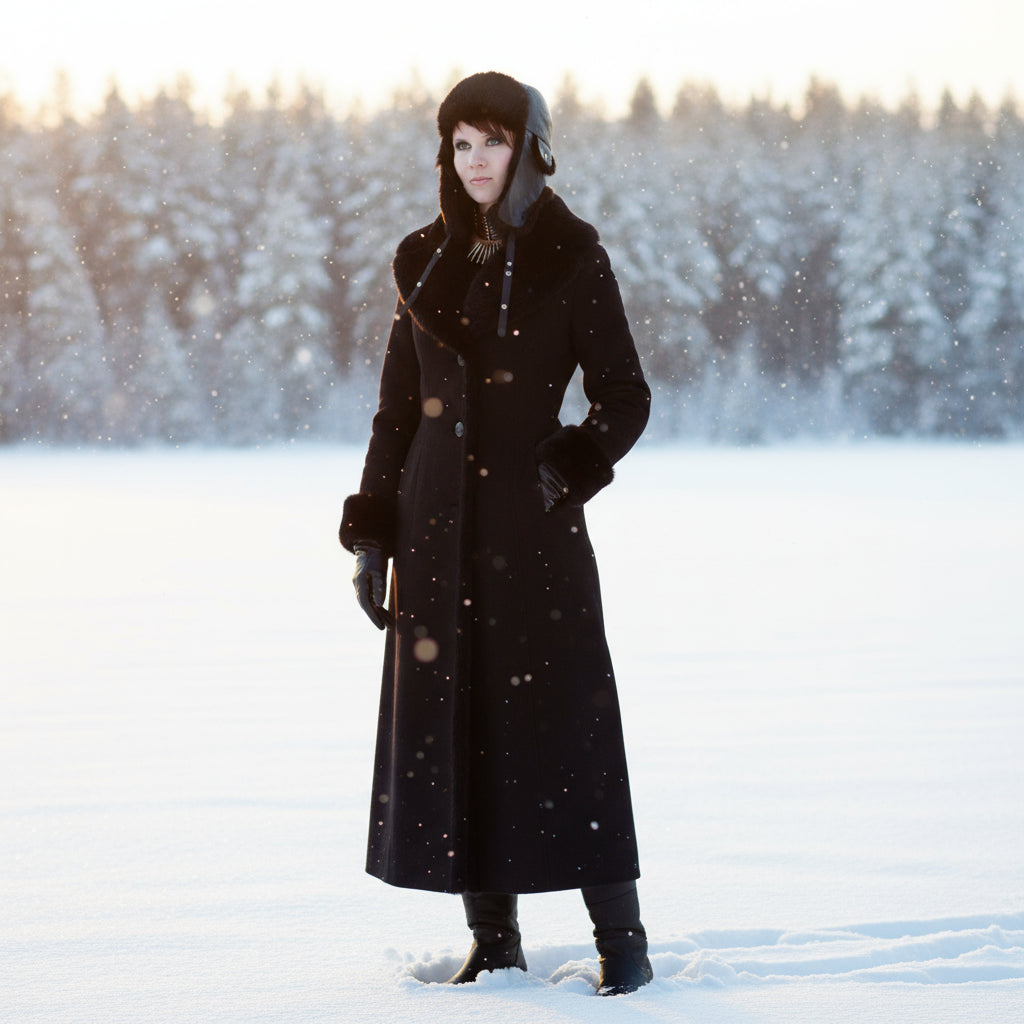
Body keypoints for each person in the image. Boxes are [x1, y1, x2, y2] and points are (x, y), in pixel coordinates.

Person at [338, 71, 652, 996]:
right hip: (436, 531)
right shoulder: (421, 260)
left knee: (567, 729)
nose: (475, 161)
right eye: (460, 144)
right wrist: (374, 535)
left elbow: (626, 395)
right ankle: (496, 939)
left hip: (536, 529)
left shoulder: (573, 255)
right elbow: (396, 415)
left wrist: (577, 461)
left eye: (493, 142)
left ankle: (622, 942)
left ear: (531, 149)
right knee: (459, 729)